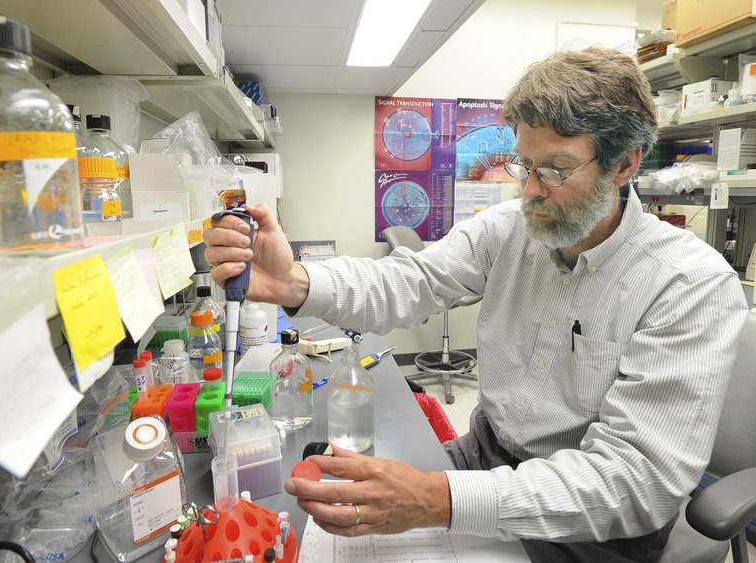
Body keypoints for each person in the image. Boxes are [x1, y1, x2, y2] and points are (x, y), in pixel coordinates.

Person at [203, 47, 748, 562]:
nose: (530, 190)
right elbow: (408, 281)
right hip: (489, 453)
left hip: (593, 524)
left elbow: (632, 483)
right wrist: (293, 283)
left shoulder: (687, 286)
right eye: (523, 164)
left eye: (555, 169)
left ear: (624, 165)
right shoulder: (510, 230)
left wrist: (435, 499)